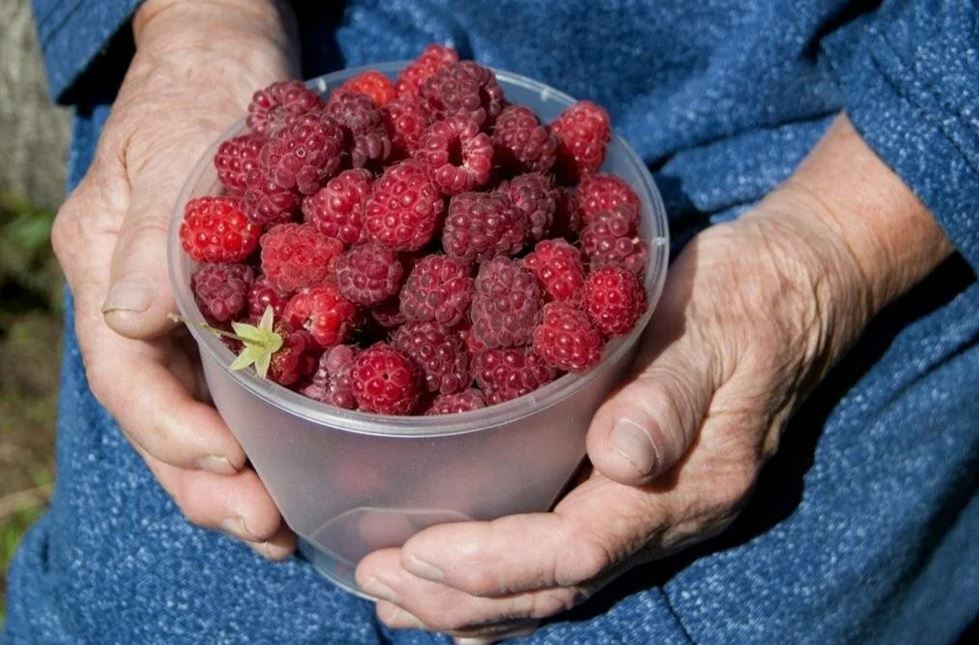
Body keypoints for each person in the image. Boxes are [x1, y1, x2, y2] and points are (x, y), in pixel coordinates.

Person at [6, 0, 978, 642]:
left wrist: (827, 252)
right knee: (134, 599)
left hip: (813, 174)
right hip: (311, 58)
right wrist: (197, 25)